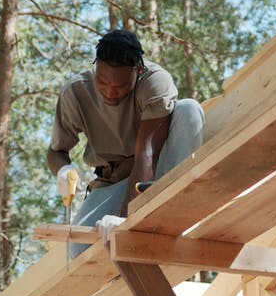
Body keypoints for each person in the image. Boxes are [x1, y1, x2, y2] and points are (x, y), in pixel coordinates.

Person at [47, 29, 205, 255]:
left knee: (188, 109)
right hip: (114, 181)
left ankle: (177, 203)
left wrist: (127, 220)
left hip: (157, 170)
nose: (110, 92)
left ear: (138, 70)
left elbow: (147, 152)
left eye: (120, 86)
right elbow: (55, 151)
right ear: (96, 66)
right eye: (102, 81)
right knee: (79, 249)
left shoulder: (154, 82)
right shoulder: (76, 92)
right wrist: (63, 169)